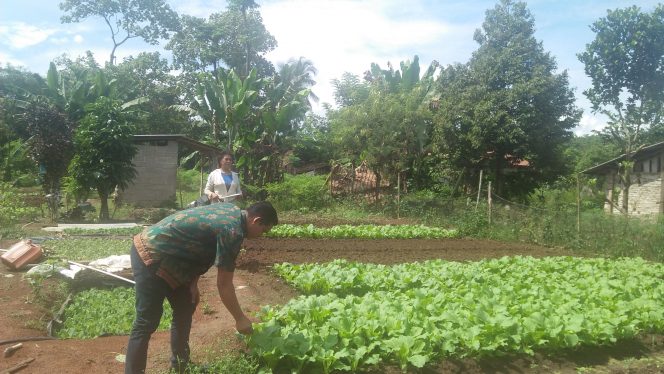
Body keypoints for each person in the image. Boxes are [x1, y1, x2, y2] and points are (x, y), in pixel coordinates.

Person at [124, 201, 278, 374]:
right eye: (264, 230)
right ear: (256, 221)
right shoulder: (233, 231)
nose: (262, 235)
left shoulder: (233, 210)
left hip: (173, 256)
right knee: (147, 320)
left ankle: (181, 365)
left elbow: (199, 244)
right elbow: (224, 284)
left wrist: (193, 283)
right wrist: (240, 318)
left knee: (185, 306)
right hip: (152, 251)